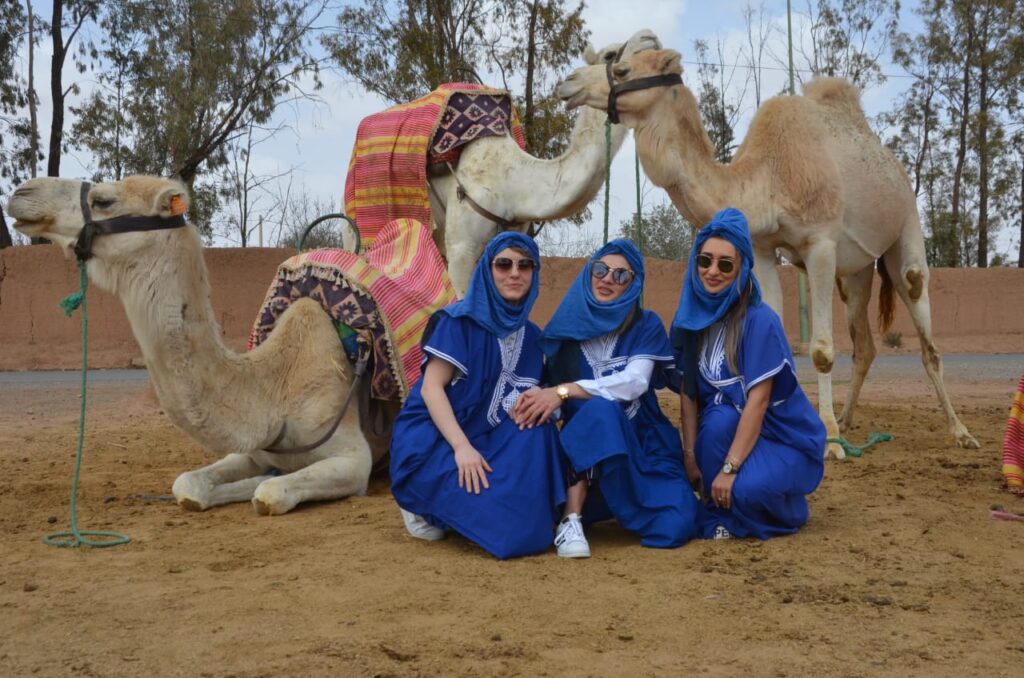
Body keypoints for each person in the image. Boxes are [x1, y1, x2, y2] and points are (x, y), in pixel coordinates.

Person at [513, 239, 701, 558]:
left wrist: (565, 390)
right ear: (589, 273)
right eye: (600, 269)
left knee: (679, 523)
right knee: (597, 414)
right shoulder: (565, 337)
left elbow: (635, 382)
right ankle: (572, 519)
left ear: (633, 285)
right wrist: (541, 404)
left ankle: (619, 504)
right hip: (586, 458)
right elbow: (554, 406)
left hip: (641, 446)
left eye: (620, 275)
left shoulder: (645, 325)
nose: (607, 279)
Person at [388, 232, 565, 559]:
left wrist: (548, 395)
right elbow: (431, 388)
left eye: (525, 265)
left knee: (537, 430)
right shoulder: (459, 322)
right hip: (438, 442)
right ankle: (425, 506)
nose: (515, 273)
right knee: (515, 535)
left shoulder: (532, 337)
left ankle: (468, 508)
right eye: (504, 264)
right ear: (488, 269)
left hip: (490, 440)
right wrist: (461, 447)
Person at [671, 207, 825, 540]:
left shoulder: (760, 320)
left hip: (780, 437)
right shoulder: (690, 321)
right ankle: (725, 508)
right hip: (727, 433)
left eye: (725, 264)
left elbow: (759, 400)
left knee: (748, 491)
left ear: (742, 268)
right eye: (705, 260)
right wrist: (690, 456)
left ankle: (787, 508)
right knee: (717, 420)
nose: (712, 271)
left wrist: (729, 469)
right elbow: (688, 393)